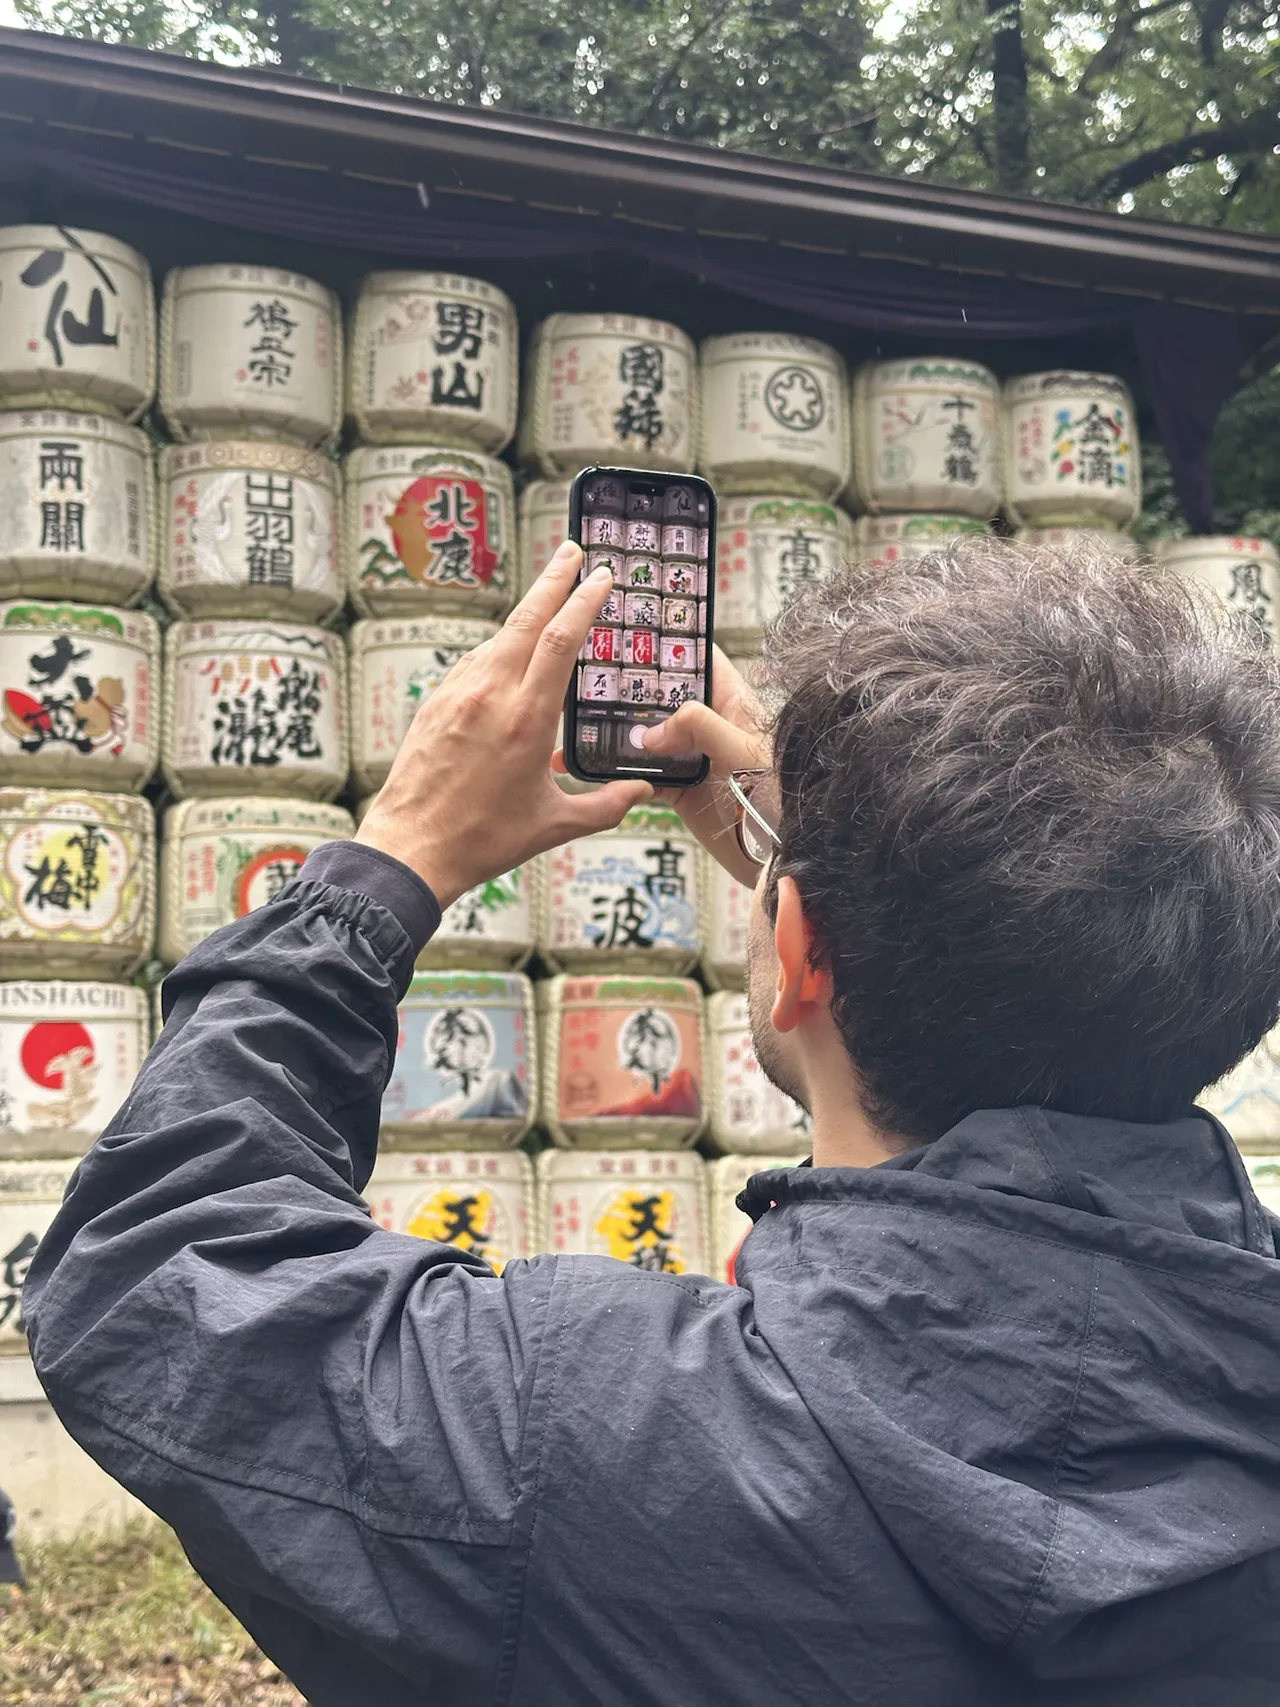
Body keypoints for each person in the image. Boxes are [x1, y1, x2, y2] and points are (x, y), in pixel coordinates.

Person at [22, 538, 1280, 1707]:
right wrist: (846, 922)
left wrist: (388, 864)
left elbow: (150, 1275)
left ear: (792, 955)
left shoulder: (577, 1436)